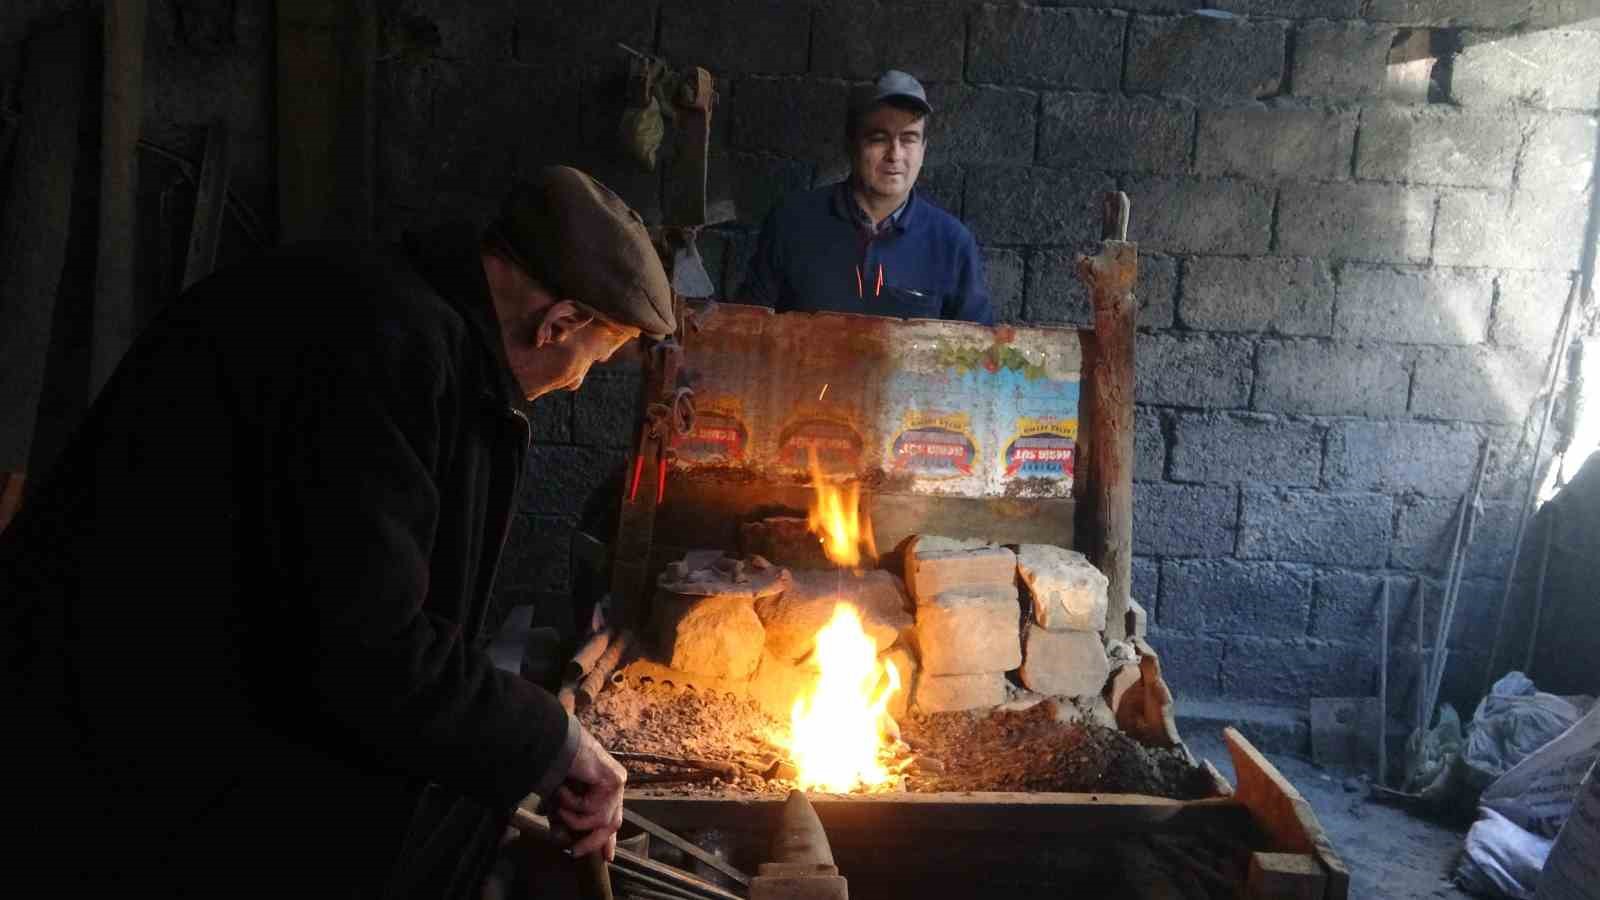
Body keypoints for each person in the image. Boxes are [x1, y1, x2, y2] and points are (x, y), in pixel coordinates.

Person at [0, 166, 662, 897]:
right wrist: (556, 741)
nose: (577, 383)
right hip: (115, 739)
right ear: (559, 322)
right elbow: (366, 646)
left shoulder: (402, 315)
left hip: (176, 700)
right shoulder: (383, 349)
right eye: (592, 363)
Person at [739, 69, 993, 324]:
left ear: (923, 149)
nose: (895, 155)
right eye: (878, 138)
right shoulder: (791, 223)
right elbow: (744, 331)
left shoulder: (952, 243)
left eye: (908, 139)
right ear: (851, 145)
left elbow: (977, 355)